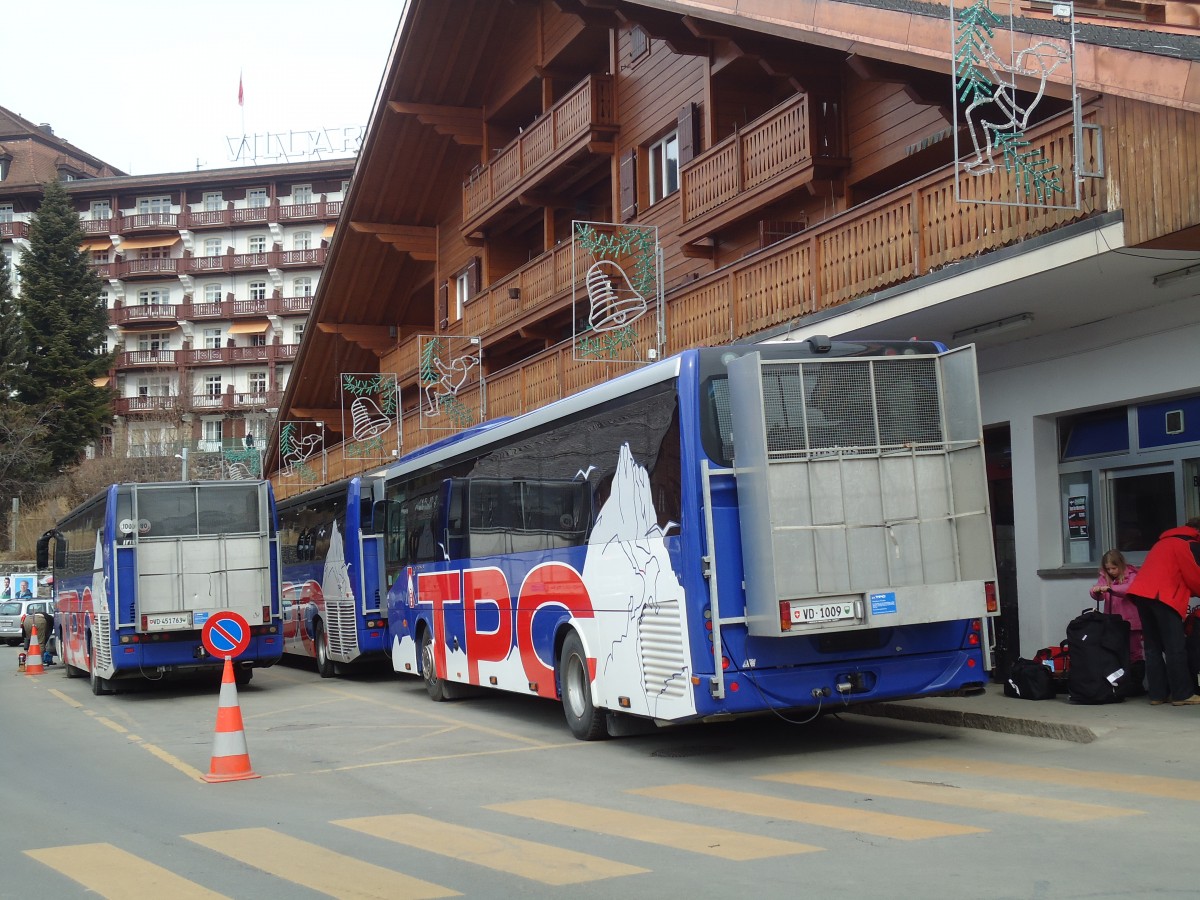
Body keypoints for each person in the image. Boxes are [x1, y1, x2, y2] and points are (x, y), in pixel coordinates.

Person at [1127, 517, 1200, 706]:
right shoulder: (1187, 544)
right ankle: (1182, 694)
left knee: (1152, 648)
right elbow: (1195, 575)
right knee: (1175, 647)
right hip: (1163, 597)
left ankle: (1157, 695)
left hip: (1142, 595)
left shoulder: (1163, 542)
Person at [1090, 549, 1142, 662]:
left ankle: (1136, 676)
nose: (1111, 571)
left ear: (1121, 564)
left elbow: (1129, 589)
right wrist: (1096, 591)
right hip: (1112, 621)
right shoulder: (1104, 577)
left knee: (1134, 651)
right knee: (1114, 650)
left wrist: (1110, 589)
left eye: (1114, 568)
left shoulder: (1132, 575)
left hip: (1131, 622)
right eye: (1108, 569)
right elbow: (1099, 594)